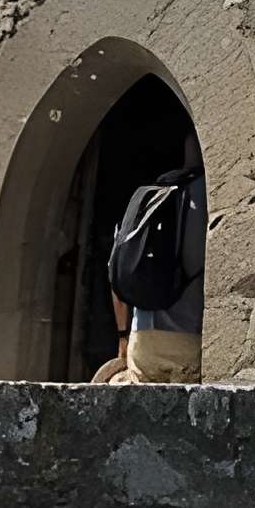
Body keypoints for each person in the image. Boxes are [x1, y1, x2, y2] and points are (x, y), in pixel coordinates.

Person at [91, 130, 206, 386]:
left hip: (142, 342)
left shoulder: (148, 200)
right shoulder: (210, 197)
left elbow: (116, 276)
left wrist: (123, 338)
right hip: (192, 343)